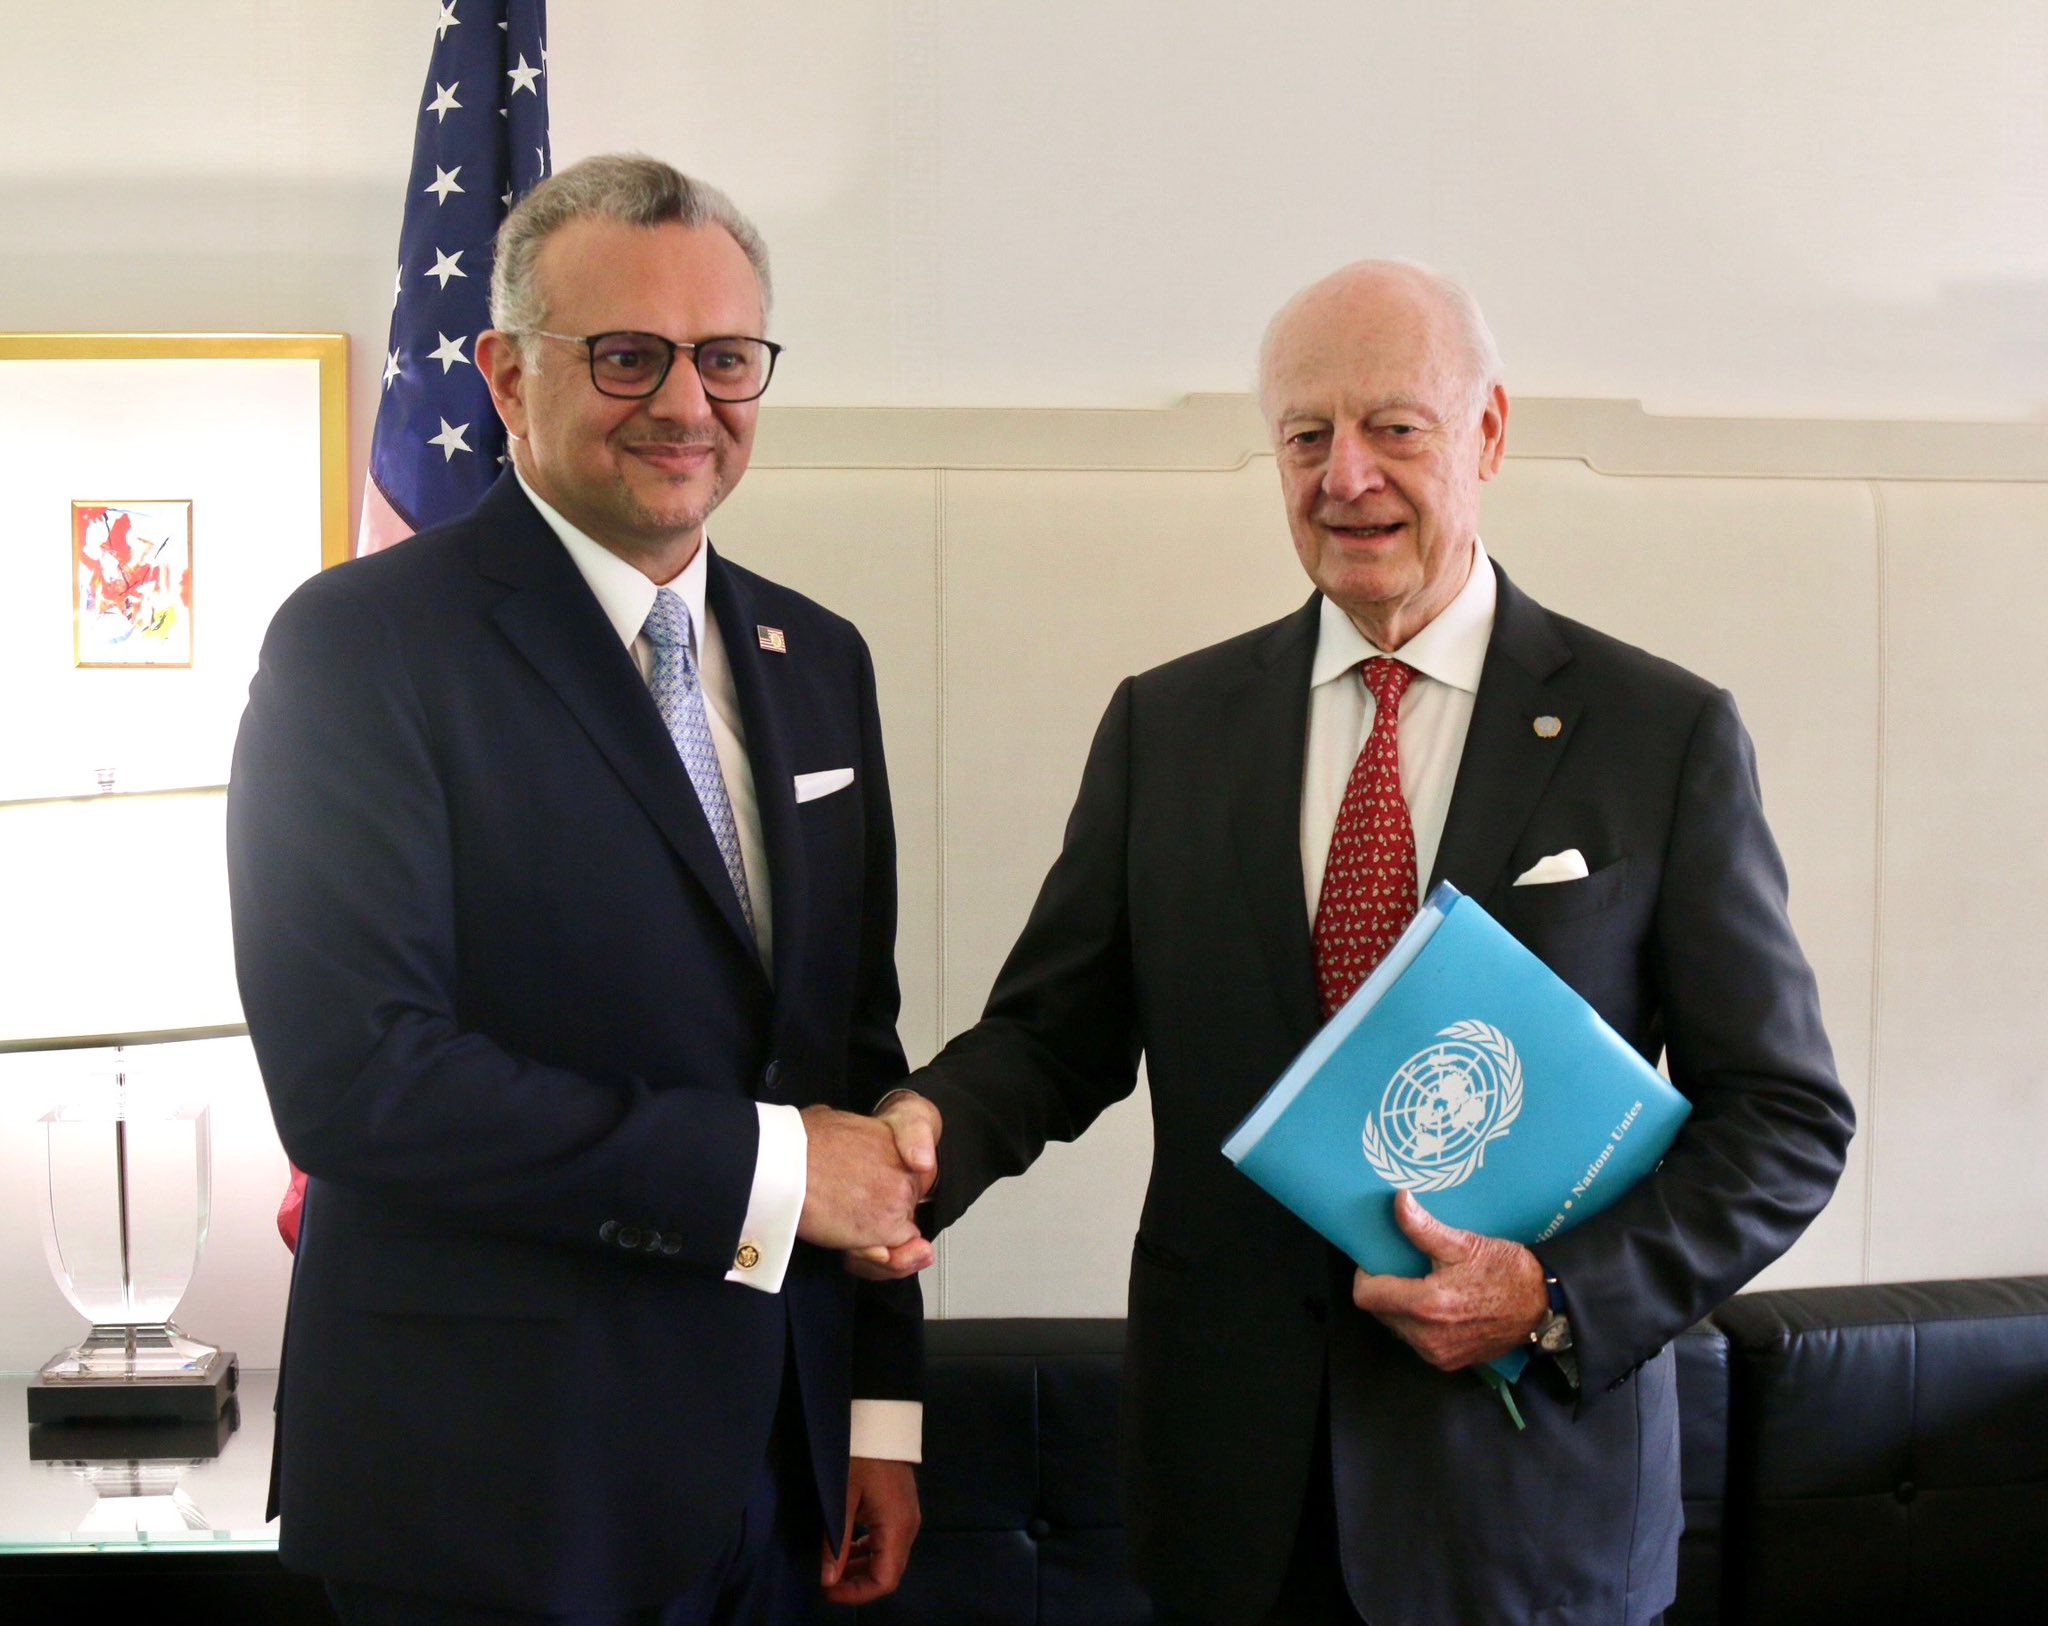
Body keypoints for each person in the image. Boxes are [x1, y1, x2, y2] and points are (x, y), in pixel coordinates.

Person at [871, 261, 1855, 1624]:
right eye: (1305, 435)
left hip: (1525, 1511)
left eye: (1395, 426)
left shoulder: (1658, 735)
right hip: (1232, 1507)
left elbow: (1786, 1120)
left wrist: (1553, 1295)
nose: (1346, 477)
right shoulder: (1169, 727)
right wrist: (924, 1133)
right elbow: (1054, 1034)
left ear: (1489, 434)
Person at [227, 155, 937, 1625]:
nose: (685, 403)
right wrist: (771, 1174)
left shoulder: (821, 659)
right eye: (626, 355)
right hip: (487, 1498)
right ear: (505, 375)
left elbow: (846, 1059)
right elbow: (359, 1080)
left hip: (780, 1480)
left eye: (724, 357)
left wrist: (877, 1410)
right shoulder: (360, 648)